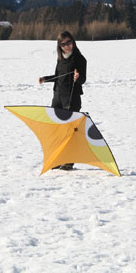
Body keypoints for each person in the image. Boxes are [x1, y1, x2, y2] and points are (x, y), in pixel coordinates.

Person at [39, 31, 87, 170]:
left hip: (72, 99)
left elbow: (83, 79)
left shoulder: (80, 59)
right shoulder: (60, 59)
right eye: (63, 44)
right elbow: (58, 76)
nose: (67, 46)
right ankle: (58, 159)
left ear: (73, 42)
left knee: (69, 130)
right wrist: (45, 79)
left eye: (69, 42)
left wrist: (78, 78)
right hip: (57, 97)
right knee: (57, 129)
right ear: (59, 46)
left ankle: (69, 161)